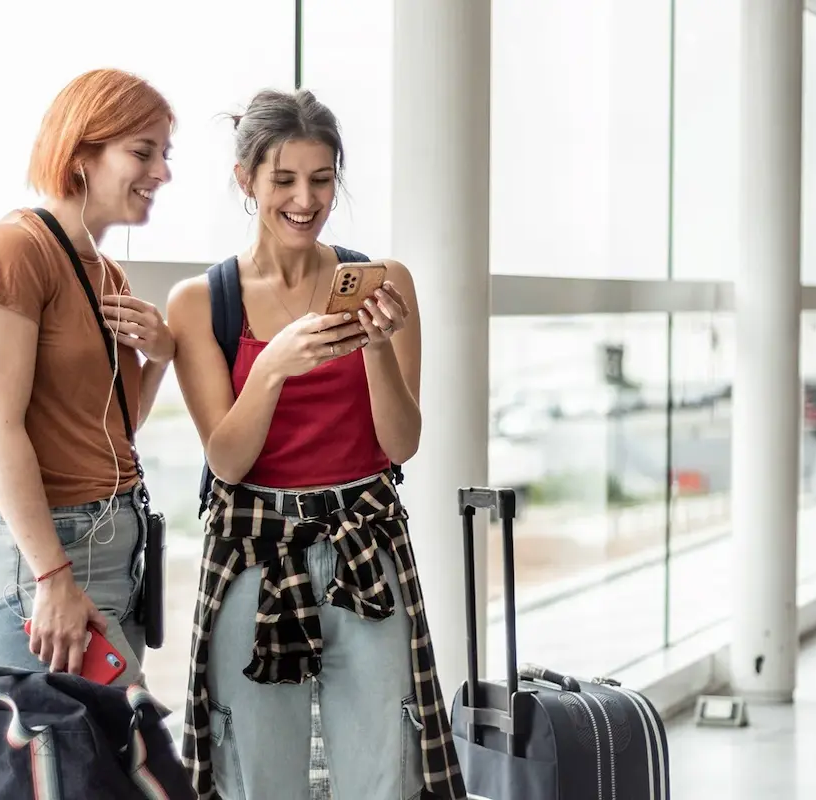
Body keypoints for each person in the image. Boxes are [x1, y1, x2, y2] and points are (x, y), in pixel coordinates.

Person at [166, 89, 468, 800]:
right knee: (256, 773)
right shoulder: (200, 302)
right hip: (252, 551)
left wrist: (376, 345)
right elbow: (228, 461)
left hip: (365, 543)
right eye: (285, 181)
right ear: (247, 181)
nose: (306, 199)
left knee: (383, 766)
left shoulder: (385, 282)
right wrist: (272, 366)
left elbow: (400, 445)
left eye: (323, 178)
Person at [0, 68, 175, 686]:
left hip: (115, 543)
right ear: (81, 154)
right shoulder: (11, 251)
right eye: (142, 153)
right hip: (44, 558)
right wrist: (52, 576)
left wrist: (161, 358)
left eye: (164, 155)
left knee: (98, 768)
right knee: (87, 769)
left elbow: (112, 427)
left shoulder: (106, 276)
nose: (162, 174)